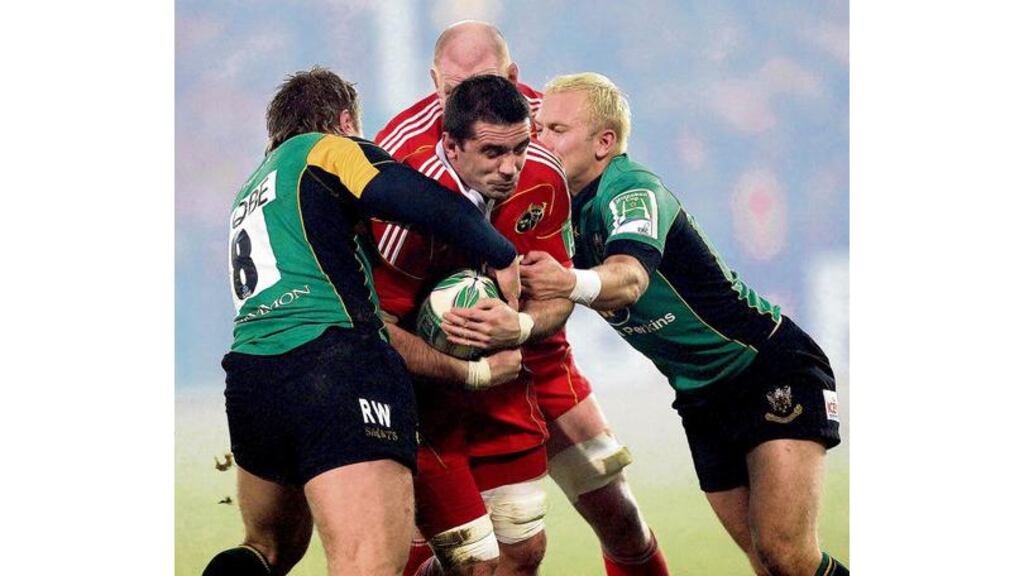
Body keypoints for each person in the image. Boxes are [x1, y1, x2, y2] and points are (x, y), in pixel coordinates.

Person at [514, 72, 848, 576]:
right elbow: (559, 302)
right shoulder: (556, 210)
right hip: (699, 395)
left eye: (556, 129)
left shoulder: (630, 190)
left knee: (788, 556)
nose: (540, 140)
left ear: (605, 142)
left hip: (766, 366)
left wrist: (568, 282)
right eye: (537, 128)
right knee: (767, 564)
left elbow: (628, 279)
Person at [203, 66, 522, 576]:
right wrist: (500, 252)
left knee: (267, 551)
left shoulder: (252, 190)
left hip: (252, 380)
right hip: (334, 365)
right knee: (367, 561)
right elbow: (409, 194)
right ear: (346, 120)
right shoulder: (325, 147)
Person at [376, 22, 668, 576]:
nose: (468, 104)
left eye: (484, 85)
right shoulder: (400, 161)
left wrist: (527, 325)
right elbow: (383, 307)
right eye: (451, 91)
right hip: (439, 372)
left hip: (540, 359)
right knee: (435, 549)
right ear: (434, 82)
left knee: (618, 514)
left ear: (513, 78)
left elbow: (597, 209)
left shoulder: (548, 136)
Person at [371, 74, 567, 576]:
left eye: (520, 148)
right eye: (492, 153)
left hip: (505, 395)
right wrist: (467, 369)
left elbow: (557, 295)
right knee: (476, 567)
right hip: (427, 409)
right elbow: (380, 330)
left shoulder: (543, 179)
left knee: (524, 554)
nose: (511, 168)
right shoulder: (405, 211)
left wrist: (518, 328)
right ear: (452, 147)